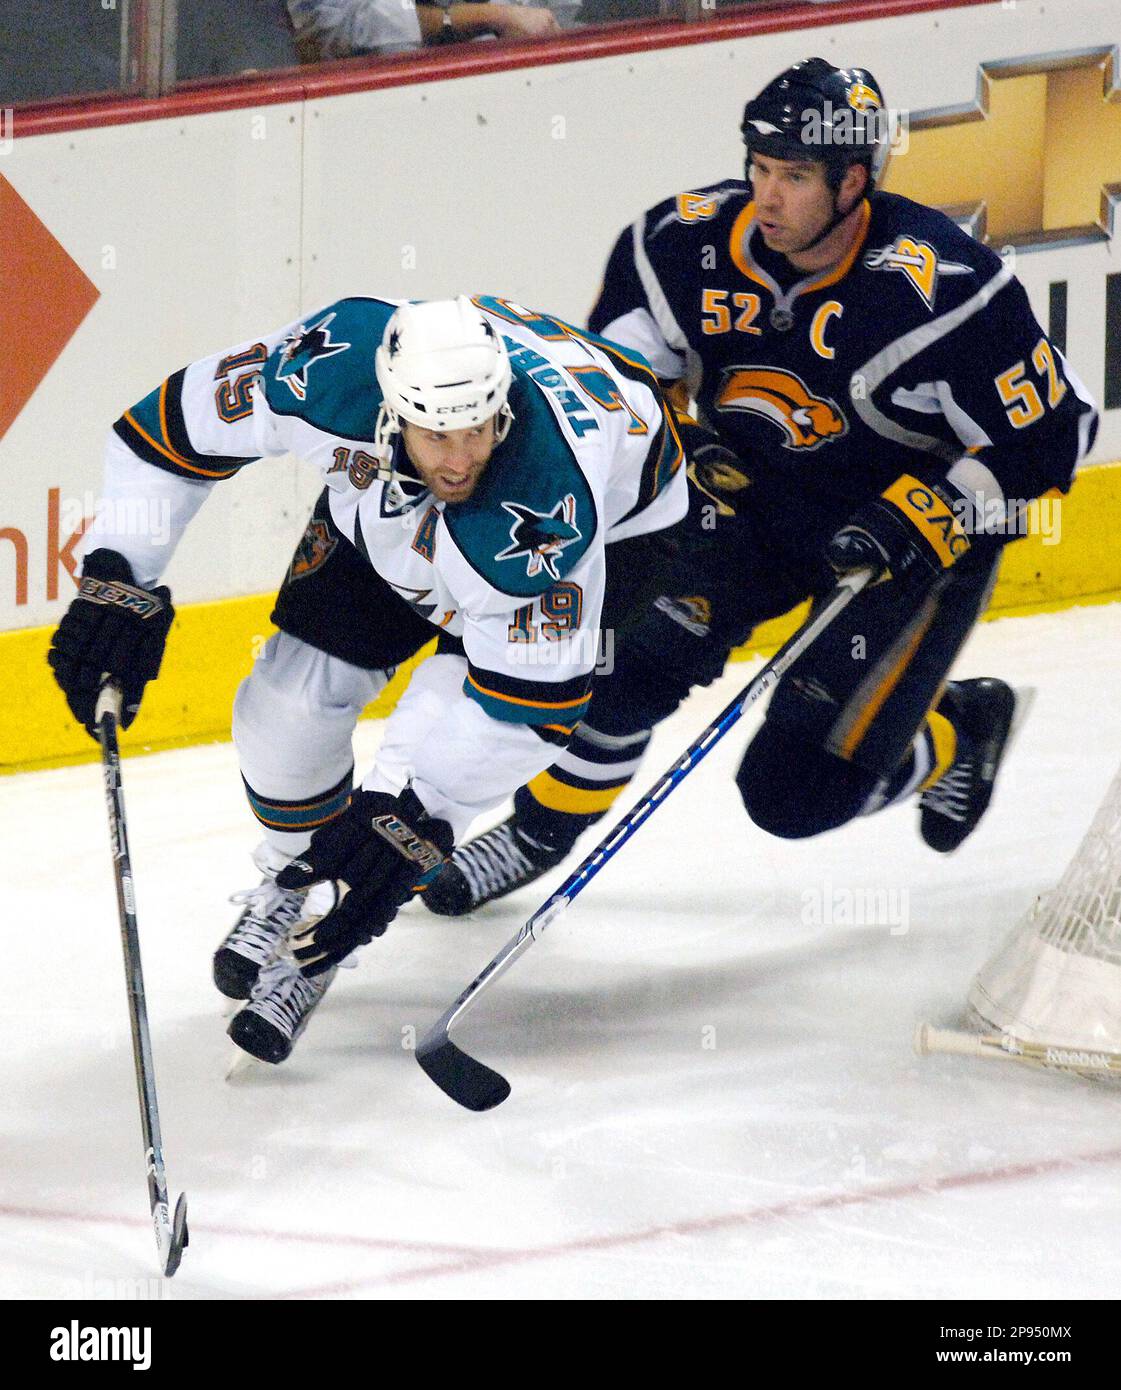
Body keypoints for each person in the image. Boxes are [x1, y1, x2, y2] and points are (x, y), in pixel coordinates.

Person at [424, 57, 1099, 916]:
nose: (765, 196)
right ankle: (536, 834)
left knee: (791, 795)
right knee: (619, 661)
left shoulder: (946, 288)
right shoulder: (679, 246)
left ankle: (955, 733)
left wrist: (928, 509)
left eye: (791, 177)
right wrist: (680, 440)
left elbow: (1055, 436)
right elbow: (612, 392)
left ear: (853, 181)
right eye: (758, 169)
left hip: (904, 554)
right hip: (747, 506)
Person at [47, 295, 687, 1062]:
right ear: (391, 410)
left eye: (478, 428)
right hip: (388, 500)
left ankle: (323, 936)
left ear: (502, 412)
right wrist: (122, 573)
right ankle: (297, 880)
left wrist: (418, 822)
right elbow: (162, 436)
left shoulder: (543, 503)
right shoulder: (323, 366)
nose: (458, 458)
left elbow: (527, 710)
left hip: (620, 522)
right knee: (282, 711)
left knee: (428, 739)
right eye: (437, 433)